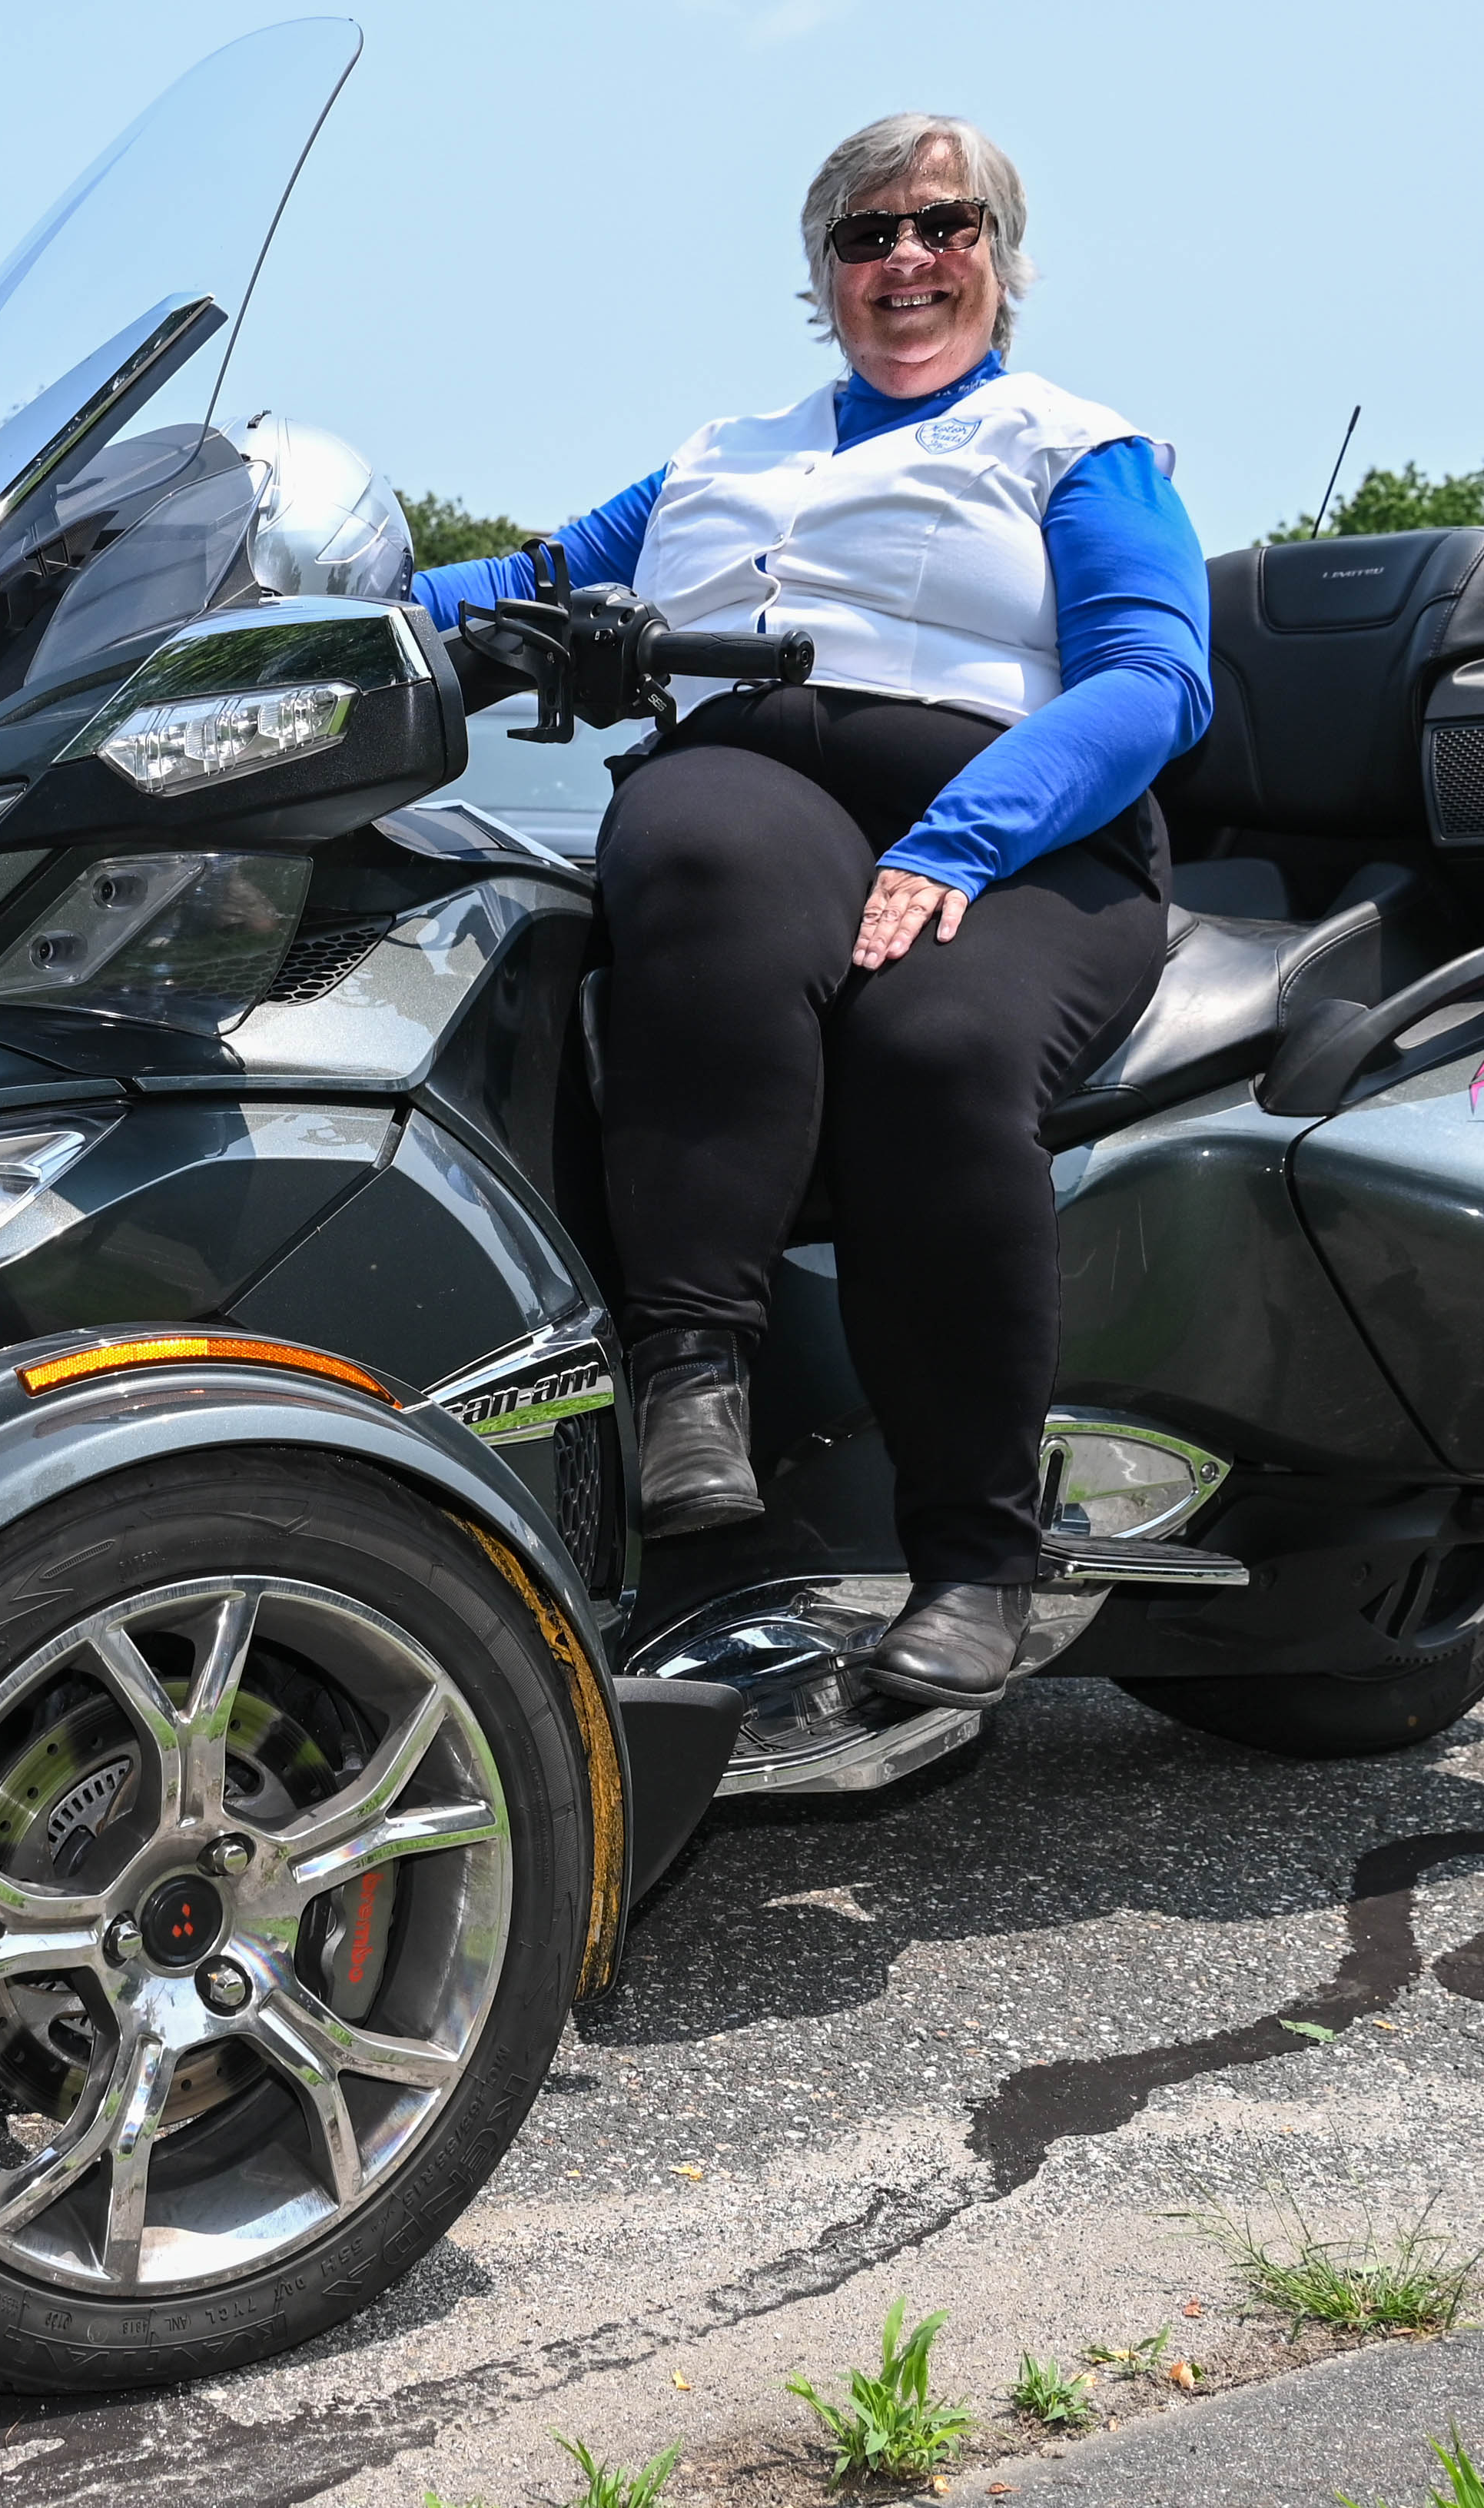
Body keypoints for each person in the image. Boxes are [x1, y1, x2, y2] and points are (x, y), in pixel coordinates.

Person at [413, 111, 1210, 1711]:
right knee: (689, 851)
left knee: (930, 1043)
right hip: (760, 789)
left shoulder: (1069, 443)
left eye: (944, 226)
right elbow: (515, 585)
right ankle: (689, 1378)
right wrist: (276, 621)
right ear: (821, 273)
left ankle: (979, 1556)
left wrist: (959, 843)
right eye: (864, 235)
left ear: (1000, 253)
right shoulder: (724, 455)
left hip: (1023, 830)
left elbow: (1153, 678)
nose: (905, 259)